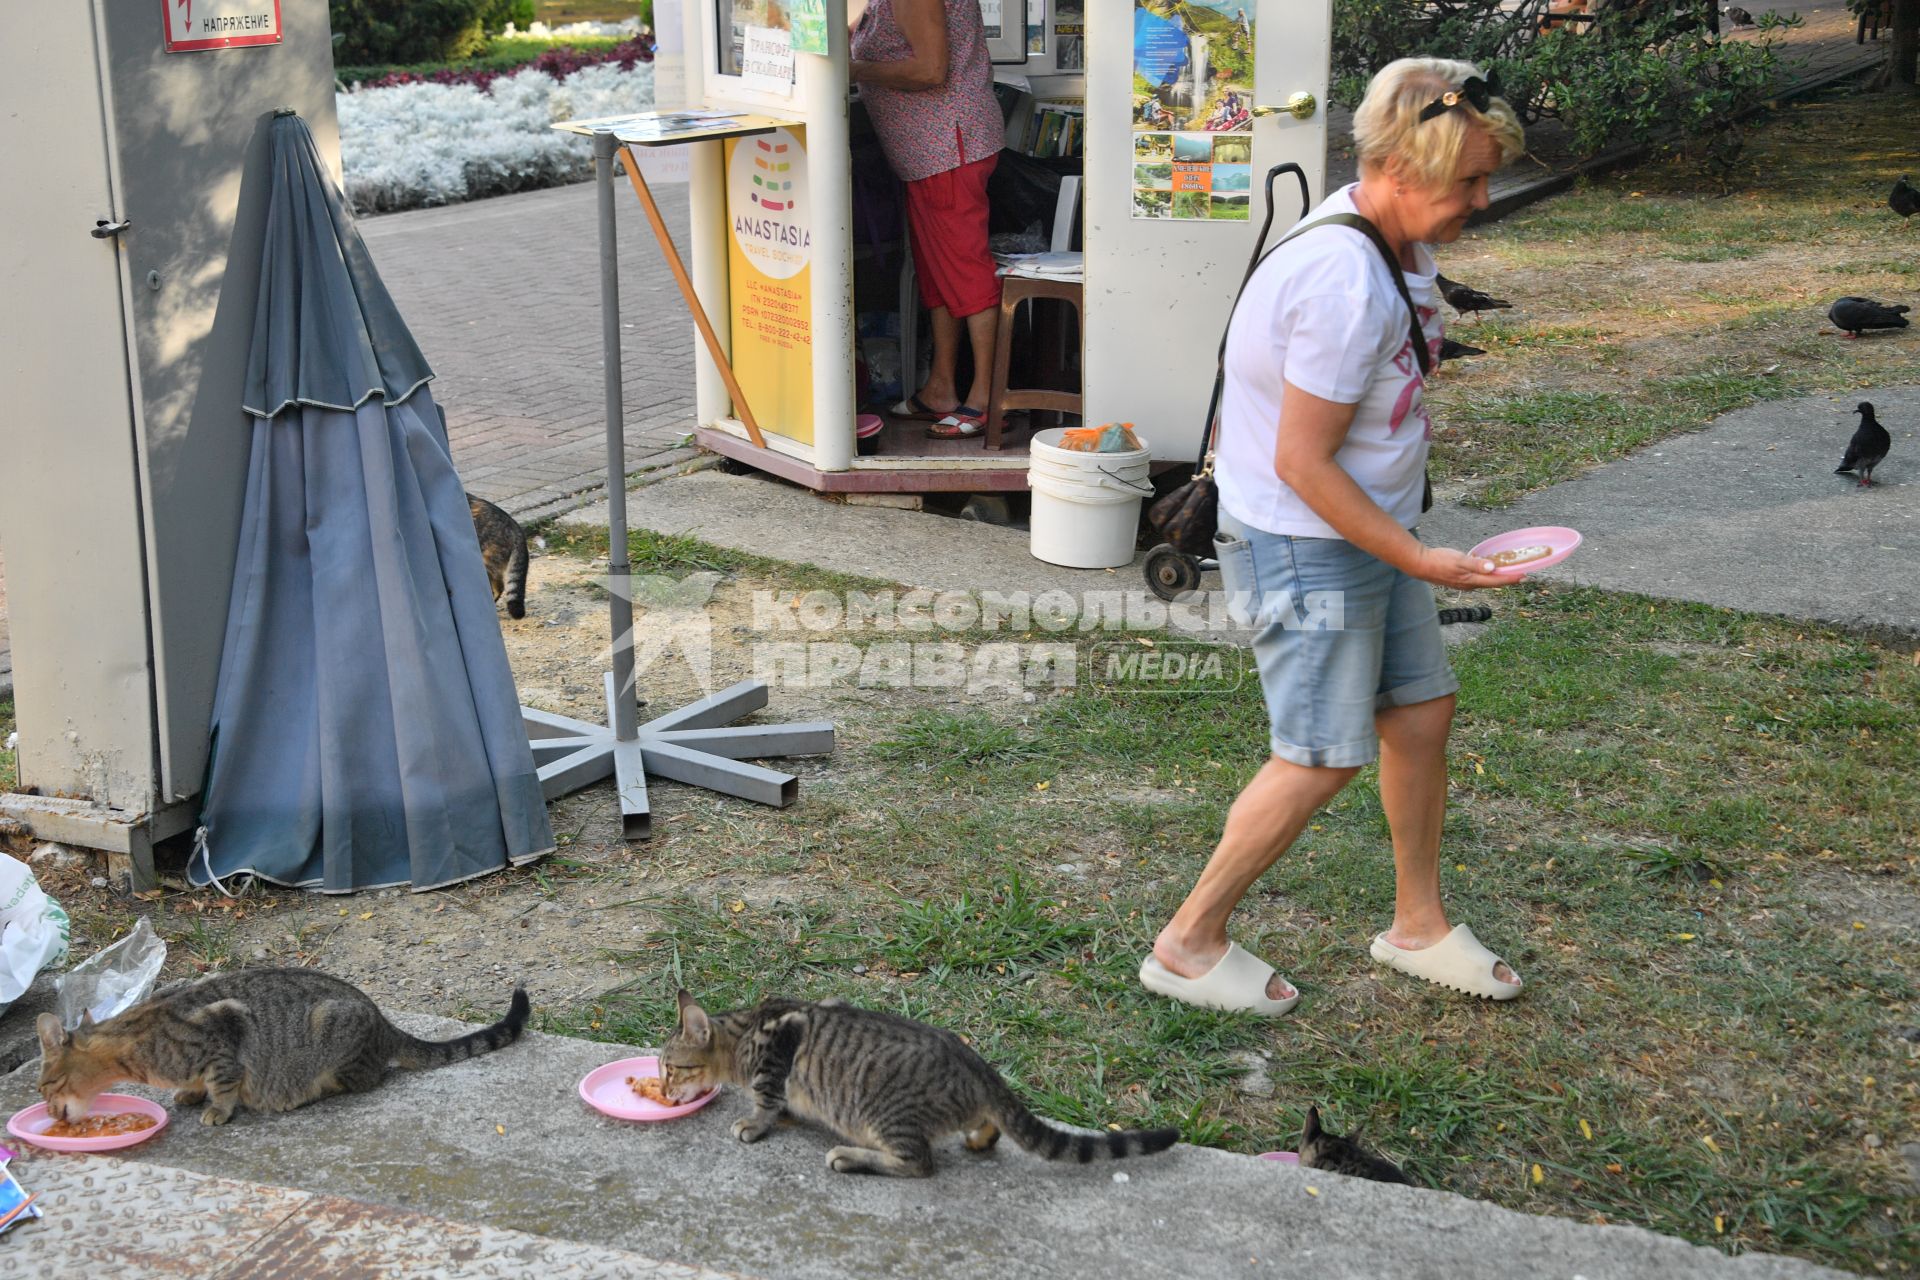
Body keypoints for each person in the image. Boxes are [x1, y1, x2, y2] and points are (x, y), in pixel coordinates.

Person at [1139, 58, 1528, 1017]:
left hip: (1365, 532)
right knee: (1319, 754)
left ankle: (1418, 925)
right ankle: (1188, 943)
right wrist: (1422, 559)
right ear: (1400, 166)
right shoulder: (1344, 279)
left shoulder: (1379, 235)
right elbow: (1304, 463)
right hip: (1307, 541)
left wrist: (1401, 544)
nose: (1483, 199)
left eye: (1486, 178)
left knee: (1421, 712)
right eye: (1467, 181)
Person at [851, 0, 1005, 440]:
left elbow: (929, 69)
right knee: (937, 276)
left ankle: (985, 396)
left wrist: (856, 69)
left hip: (947, 149)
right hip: (927, 153)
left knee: (965, 272)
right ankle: (941, 386)